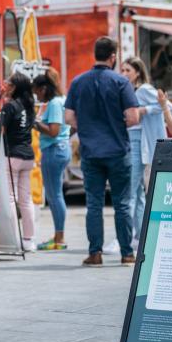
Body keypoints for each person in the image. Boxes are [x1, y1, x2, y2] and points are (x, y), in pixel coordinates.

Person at [64, 36, 139, 267]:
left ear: (95, 55)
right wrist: (115, 125)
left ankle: (95, 253)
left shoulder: (78, 82)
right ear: (113, 57)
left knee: (94, 204)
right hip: (118, 151)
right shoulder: (121, 82)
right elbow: (134, 117)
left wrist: (87, 127)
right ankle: (127, 253)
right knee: (122, 203)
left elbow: (68, 117)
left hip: (91, 152)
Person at [120, 57, 162, 246]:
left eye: (128, 70)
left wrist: (143, 110)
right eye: (122, 70)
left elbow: (165, 105)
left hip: (137, 141)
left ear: (137, 72)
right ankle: (138, 235)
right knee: (136, 192)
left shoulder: (143, 89)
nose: (124, 74)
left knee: (130, 190)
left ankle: (127, 238)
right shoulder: (129, 90)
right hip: (132, 139)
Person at [32, 69, 71, 251]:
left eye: (38, 91)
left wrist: (35, 123)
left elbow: (53, 130)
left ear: (45, 88)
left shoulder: (55, 103)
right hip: (62, 148)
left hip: (53, 150)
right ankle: (58, 236)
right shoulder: (62, 101)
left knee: (54, 195)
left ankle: (59, 238)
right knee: (56, 195)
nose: (38, 96)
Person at [0, 72, 37, 251]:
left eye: (8, 83)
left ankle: (14, 240)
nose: (5, 85)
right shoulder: (29, 106)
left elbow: (1, 131)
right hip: (28, 156)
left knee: (10, 199)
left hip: (12, 156)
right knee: (26, 199)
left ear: (14, 87)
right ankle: (29, 240)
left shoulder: (10, 106)